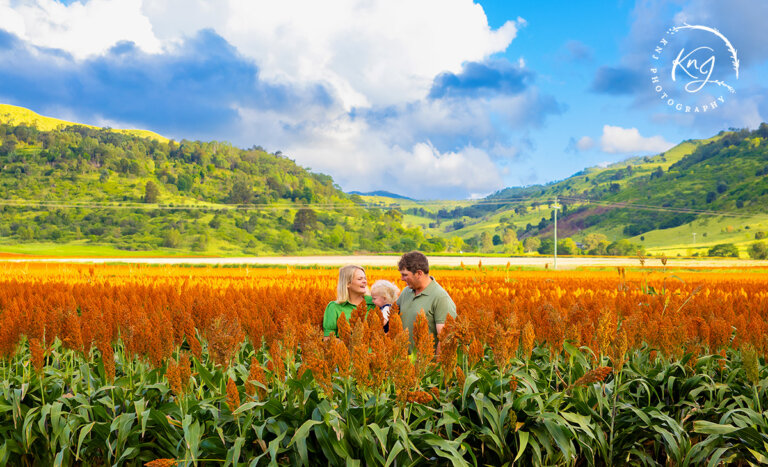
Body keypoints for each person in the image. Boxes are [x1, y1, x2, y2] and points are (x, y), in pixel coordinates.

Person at [396, 251, 456, 353]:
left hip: (426, 365)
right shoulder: (406, 292)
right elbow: (393, 317)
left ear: (419, 273)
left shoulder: (441, 298)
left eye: (405, 275)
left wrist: (437, 367)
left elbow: (445, 337)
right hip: (403, 363)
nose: (402, 279)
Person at [322, 265, 375, 337]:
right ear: (347, 283)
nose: (364, 281)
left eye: (365, 278)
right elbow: (328, 339)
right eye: (360, 279)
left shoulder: (374, 303)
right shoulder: (334, 307)